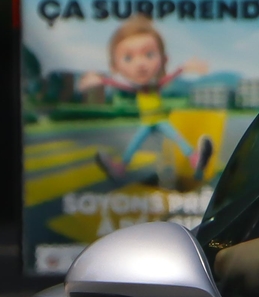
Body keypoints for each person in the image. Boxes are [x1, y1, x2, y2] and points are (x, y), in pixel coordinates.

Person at [91, 16, 214, 187]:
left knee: (178, 139)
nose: (141, 65)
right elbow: (121, 85)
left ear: (162, 59)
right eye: (129, 58)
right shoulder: (139, 89)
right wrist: (104, 81)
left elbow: (169, 77)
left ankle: (196, 160)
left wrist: (183, 68)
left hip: (160, 120)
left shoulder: (156, 85)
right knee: (134, 145)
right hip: (147, 122)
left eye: (149, 55)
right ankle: (120, 168)